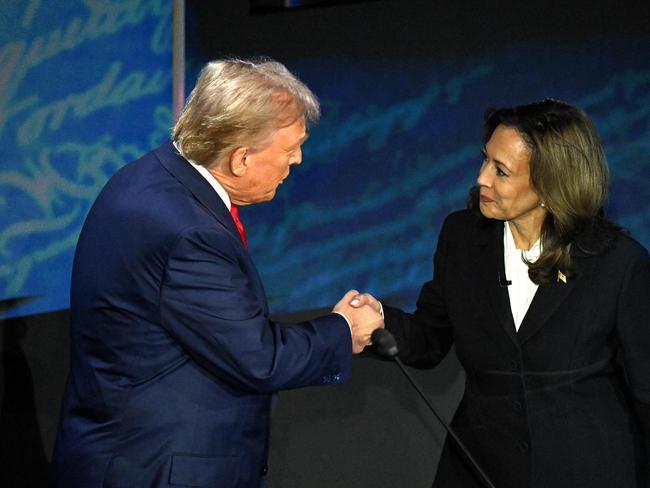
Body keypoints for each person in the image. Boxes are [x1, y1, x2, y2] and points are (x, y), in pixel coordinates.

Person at [51, 58, 383, 488]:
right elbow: (259, 359)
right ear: (241, 158)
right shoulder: (189, 232)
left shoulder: (153, 175)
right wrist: (343, 329)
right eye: (289, 149)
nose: (297, 160)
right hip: (158, 468)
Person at [353, 99, 649, 488]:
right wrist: (379, 321)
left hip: (585, 469)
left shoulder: (617, 263)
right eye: (485, 161)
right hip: (482, 468)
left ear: (549, 184)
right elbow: (429, 338)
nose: (481, 178)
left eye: (501, 171)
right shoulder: (462, 237)